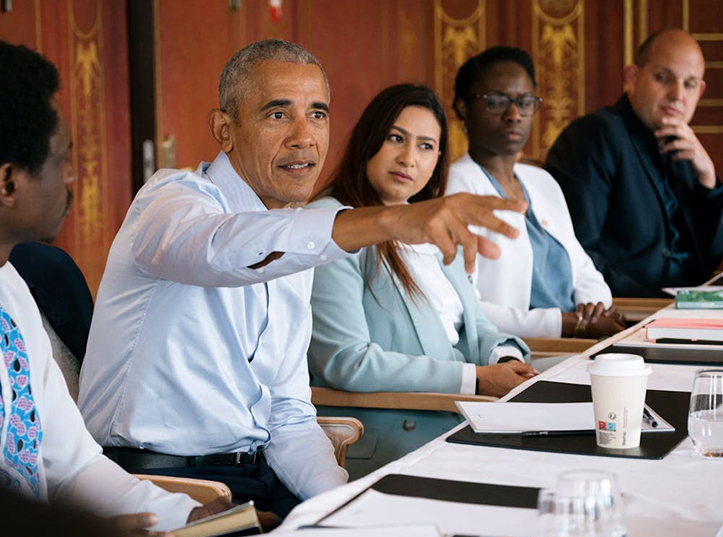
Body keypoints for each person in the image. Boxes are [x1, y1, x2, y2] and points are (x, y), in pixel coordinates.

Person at [77, 39, 527, 518]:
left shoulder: (298, 242)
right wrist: (390, 222)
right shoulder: (171, 202)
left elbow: (288, 414)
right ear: (224, 129)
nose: (303, 136)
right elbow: (216, 250)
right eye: (277, 114)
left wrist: (345, 503)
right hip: (165, 487)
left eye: (317, 115)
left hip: (256, 480)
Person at [0, 38, 229, 534]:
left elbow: (71, 465)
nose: (74, 175)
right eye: (61, 159)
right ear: (8, 183)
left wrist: (191, 518)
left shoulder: (7, 287)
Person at [307, 84, 535, 478]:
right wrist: (476, 380)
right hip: (401, 430)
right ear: (368, 140)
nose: (409, 158)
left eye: (426, 146)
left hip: (463, 414)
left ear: (438, 161)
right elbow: (347, 362)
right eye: (396, 138)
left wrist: (507, 362)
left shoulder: (429, 221)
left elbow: (476, 328)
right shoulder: (335, 224)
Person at [446, 46, 625, 339]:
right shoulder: (455, 187)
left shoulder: (542, 182)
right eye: (495, 101)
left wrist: (593, 308)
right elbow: (465, 307)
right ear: (463, 107)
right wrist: (571, 324)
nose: (514, 114)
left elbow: (583, 268)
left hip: (581, 340)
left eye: (525, 101)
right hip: (518, 351)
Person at [545, 29, 723, 297]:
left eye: (689, 84)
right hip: (626, 313)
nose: (677, 95)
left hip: (685, 310)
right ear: (633, 78)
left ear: (700, 91)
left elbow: (711, 258)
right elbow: (578, 254)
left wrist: (707, 179)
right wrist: (653, 304)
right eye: (663, 78)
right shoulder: (595, 135)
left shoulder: (684, 149)